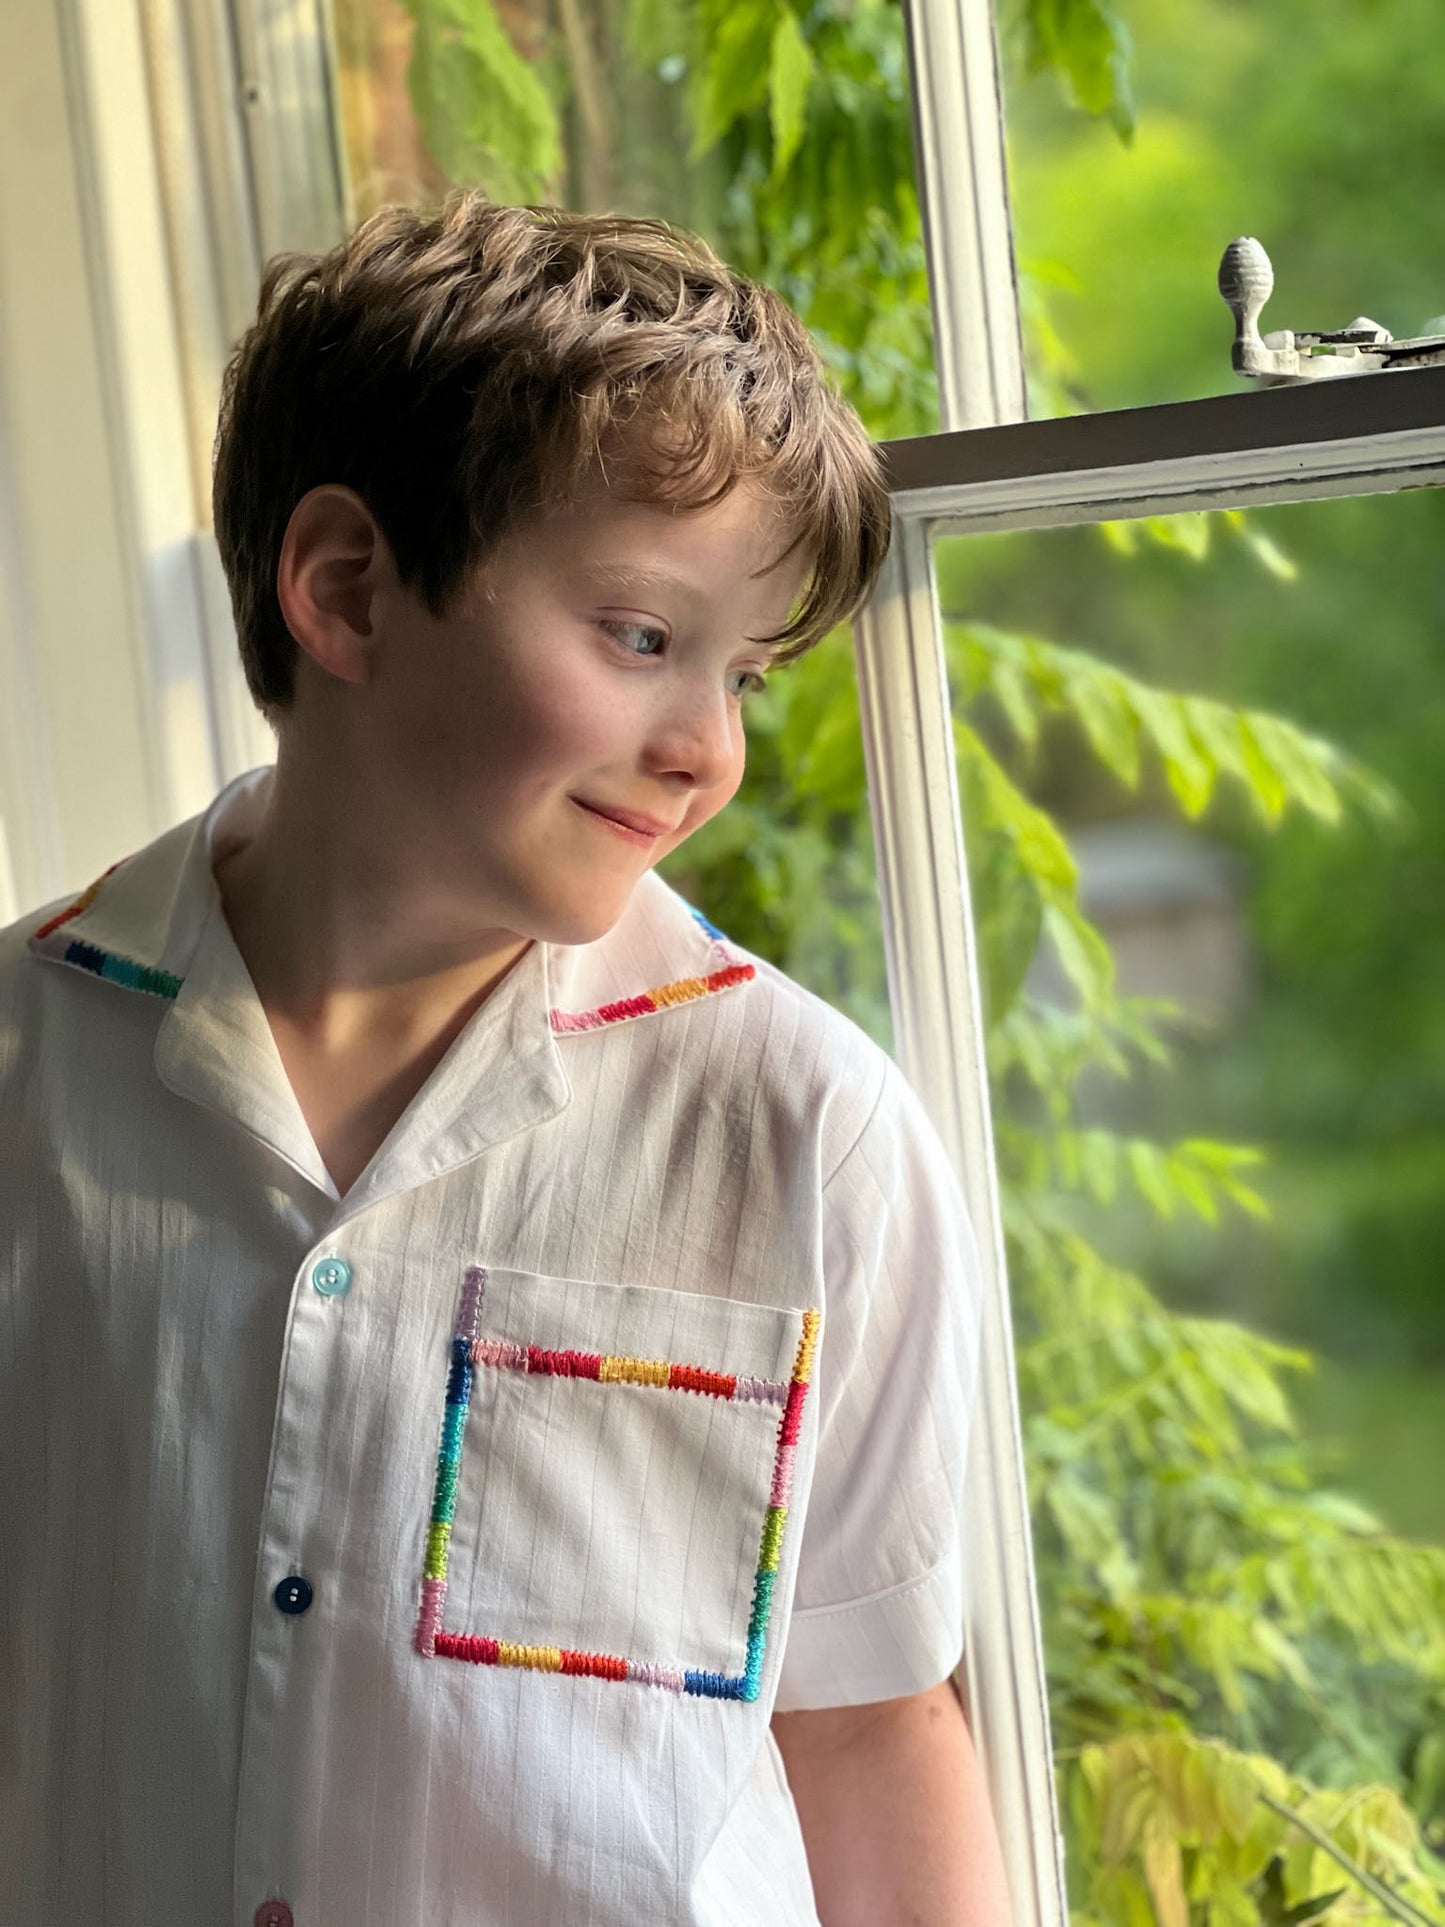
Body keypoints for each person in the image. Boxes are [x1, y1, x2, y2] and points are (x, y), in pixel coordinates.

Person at [0, 189, 1012, 1925]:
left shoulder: (801, 1129)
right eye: (642, 638)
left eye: (746, 675)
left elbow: (872, 1734)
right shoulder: (23, 1067)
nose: (704, 750)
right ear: (344, 590)